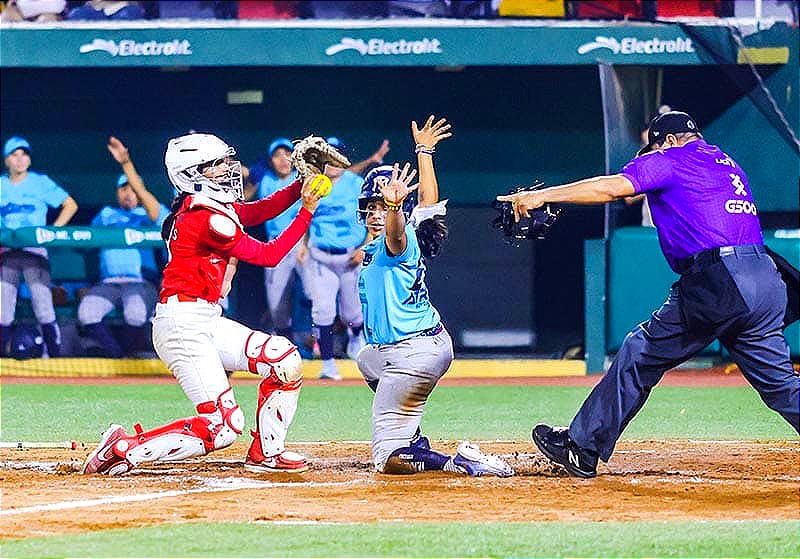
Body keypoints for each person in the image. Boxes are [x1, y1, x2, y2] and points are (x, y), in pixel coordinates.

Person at [498, 110, 800, 478]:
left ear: (668, 141)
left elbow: (610, 188)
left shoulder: (671, 158)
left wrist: (542, 196)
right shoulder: (726, 162)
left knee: (640, 351)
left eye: (653, 147)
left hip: (719, 281)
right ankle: (583, 444)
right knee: (782, 387)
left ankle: (582, 447)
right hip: (766, 279)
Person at [83, 132, 326, 476]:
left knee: (284, 359)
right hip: (183, 326)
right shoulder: (207, 218)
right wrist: (307, 210)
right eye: (215, 166)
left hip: (204, 318)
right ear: (191, 174)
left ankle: (267, 453)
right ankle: (124, 449)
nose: (227, 171)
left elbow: (257, 211)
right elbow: (269, 255)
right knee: (223, 427)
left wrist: (302, 184)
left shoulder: (207, 207)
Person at [356, 115, 514, 477]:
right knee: (366, 359)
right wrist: (424, 152)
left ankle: (457, 461)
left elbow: (396, 236)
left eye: (383, 207)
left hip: (413, 353)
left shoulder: (398, 239)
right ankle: (411, 435)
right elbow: (427, 202)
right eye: (373, 207)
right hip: (417, 347)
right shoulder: (405, 231)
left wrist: (394, 208)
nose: (377, 215)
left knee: (387, 460)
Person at [302, 137, 390, 380]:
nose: (333, 161)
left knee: (353, 314)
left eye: (337, 154)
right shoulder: (315, 185)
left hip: (352, 254)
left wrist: (365, 246)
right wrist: (303, 244)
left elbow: (373, 216)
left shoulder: (357, 184)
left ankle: (354, 337)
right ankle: (328, 365)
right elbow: (304, 217)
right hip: (321, 256)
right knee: (323, 311)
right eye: (328, 156)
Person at [77, 136, 169, 358]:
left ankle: (129, 356)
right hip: (107, 283)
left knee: (135, 314)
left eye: (132, 189)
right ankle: (119, 357)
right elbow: (85, 244)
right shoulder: (105, 214)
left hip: (139, 282)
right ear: (117, 192)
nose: (128, 193)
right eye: (123, 189)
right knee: (86, 312)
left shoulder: (147, 214)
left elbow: (162, 219)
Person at [0, 136, 78, 358]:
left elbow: (70, 205)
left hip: (35, 252)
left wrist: (52, 232)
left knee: (43, 306)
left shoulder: (40, 181)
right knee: (3, 310)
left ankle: (55, 360)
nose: (20, 159)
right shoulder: (1, 184)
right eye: (15, 154)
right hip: (7, 253)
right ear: (7, 160)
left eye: (24, 154)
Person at [257, 137, 307, 349]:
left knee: (314, 292)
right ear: (271, 160)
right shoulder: (266, 180)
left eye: (287, 154)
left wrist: (305, 243)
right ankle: (286, 344)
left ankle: (319, 340)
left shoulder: (303, 179)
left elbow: (315, 214)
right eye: (277, 155)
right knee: (277, 304)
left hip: (302, 244)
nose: (283, 159)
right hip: (276, 245)